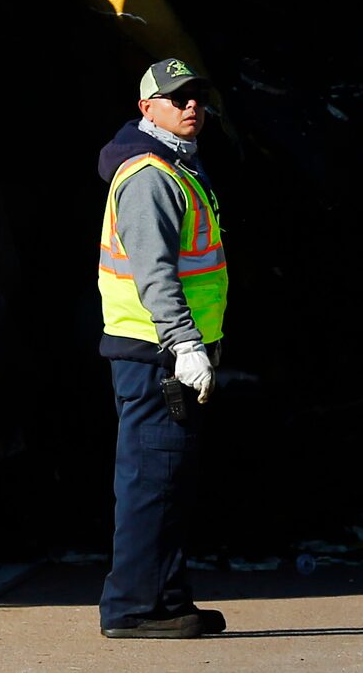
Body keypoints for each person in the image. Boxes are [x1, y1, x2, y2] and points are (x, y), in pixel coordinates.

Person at [94, 57, 231, 640]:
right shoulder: (150, 176)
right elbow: (155, 272)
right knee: (151, 482)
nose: (191, 106)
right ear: (147, 108)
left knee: (168, 481)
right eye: (177, 99)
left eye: (196, 96)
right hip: (157, 355)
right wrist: (185, 343)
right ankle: (131, 608)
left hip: (164, 354)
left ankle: (168, 600)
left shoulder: (178, 168)